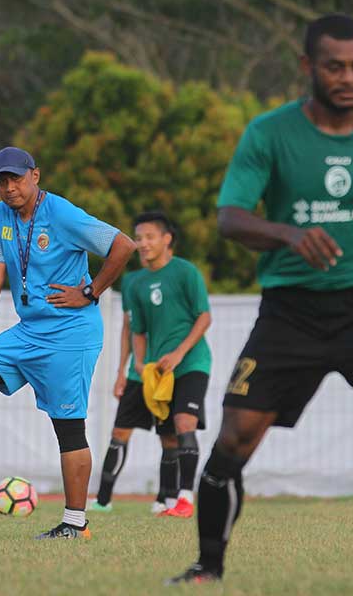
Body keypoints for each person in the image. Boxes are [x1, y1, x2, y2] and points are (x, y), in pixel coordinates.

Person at [169, 14, 353, 585]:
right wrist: (288, 233)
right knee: (233, 440)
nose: (348, 77)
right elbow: (230, 219)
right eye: (335, 66)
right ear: (308, 67)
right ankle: (207, 567)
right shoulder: (270, 134)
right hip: (291, 311)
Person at [0, 146, 136, 539]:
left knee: (68, 427)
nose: (9, 187)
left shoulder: (62, 213)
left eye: (16, 178)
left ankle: (74, 525)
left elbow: (123, 245)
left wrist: (91, 290)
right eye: (1, 181)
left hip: (71, 335)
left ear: (35, 175)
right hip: (28, 332)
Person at [90, 214, 211, 517]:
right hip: (150, 370)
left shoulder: (186, 272)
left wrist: (180, 354)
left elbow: (204, 317)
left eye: (148, 237)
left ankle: (181, 499)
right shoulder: (133, 281)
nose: (142, 244)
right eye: (138, 238)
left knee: (181, 426)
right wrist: (130, 368)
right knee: (121, 432)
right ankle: (103, 502)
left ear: (166, 239)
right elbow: (135, 330)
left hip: (190, 363)